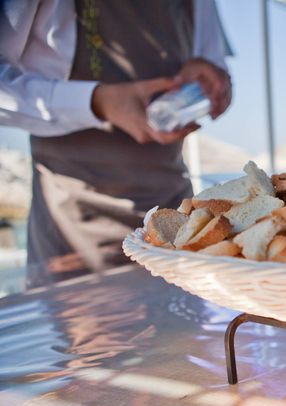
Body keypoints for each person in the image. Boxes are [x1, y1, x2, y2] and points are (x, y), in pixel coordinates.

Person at [0, 0, 232, 287]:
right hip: (78, 227)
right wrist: (97, 102)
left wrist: (213, 81)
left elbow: (216, 67)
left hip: (176, 219)